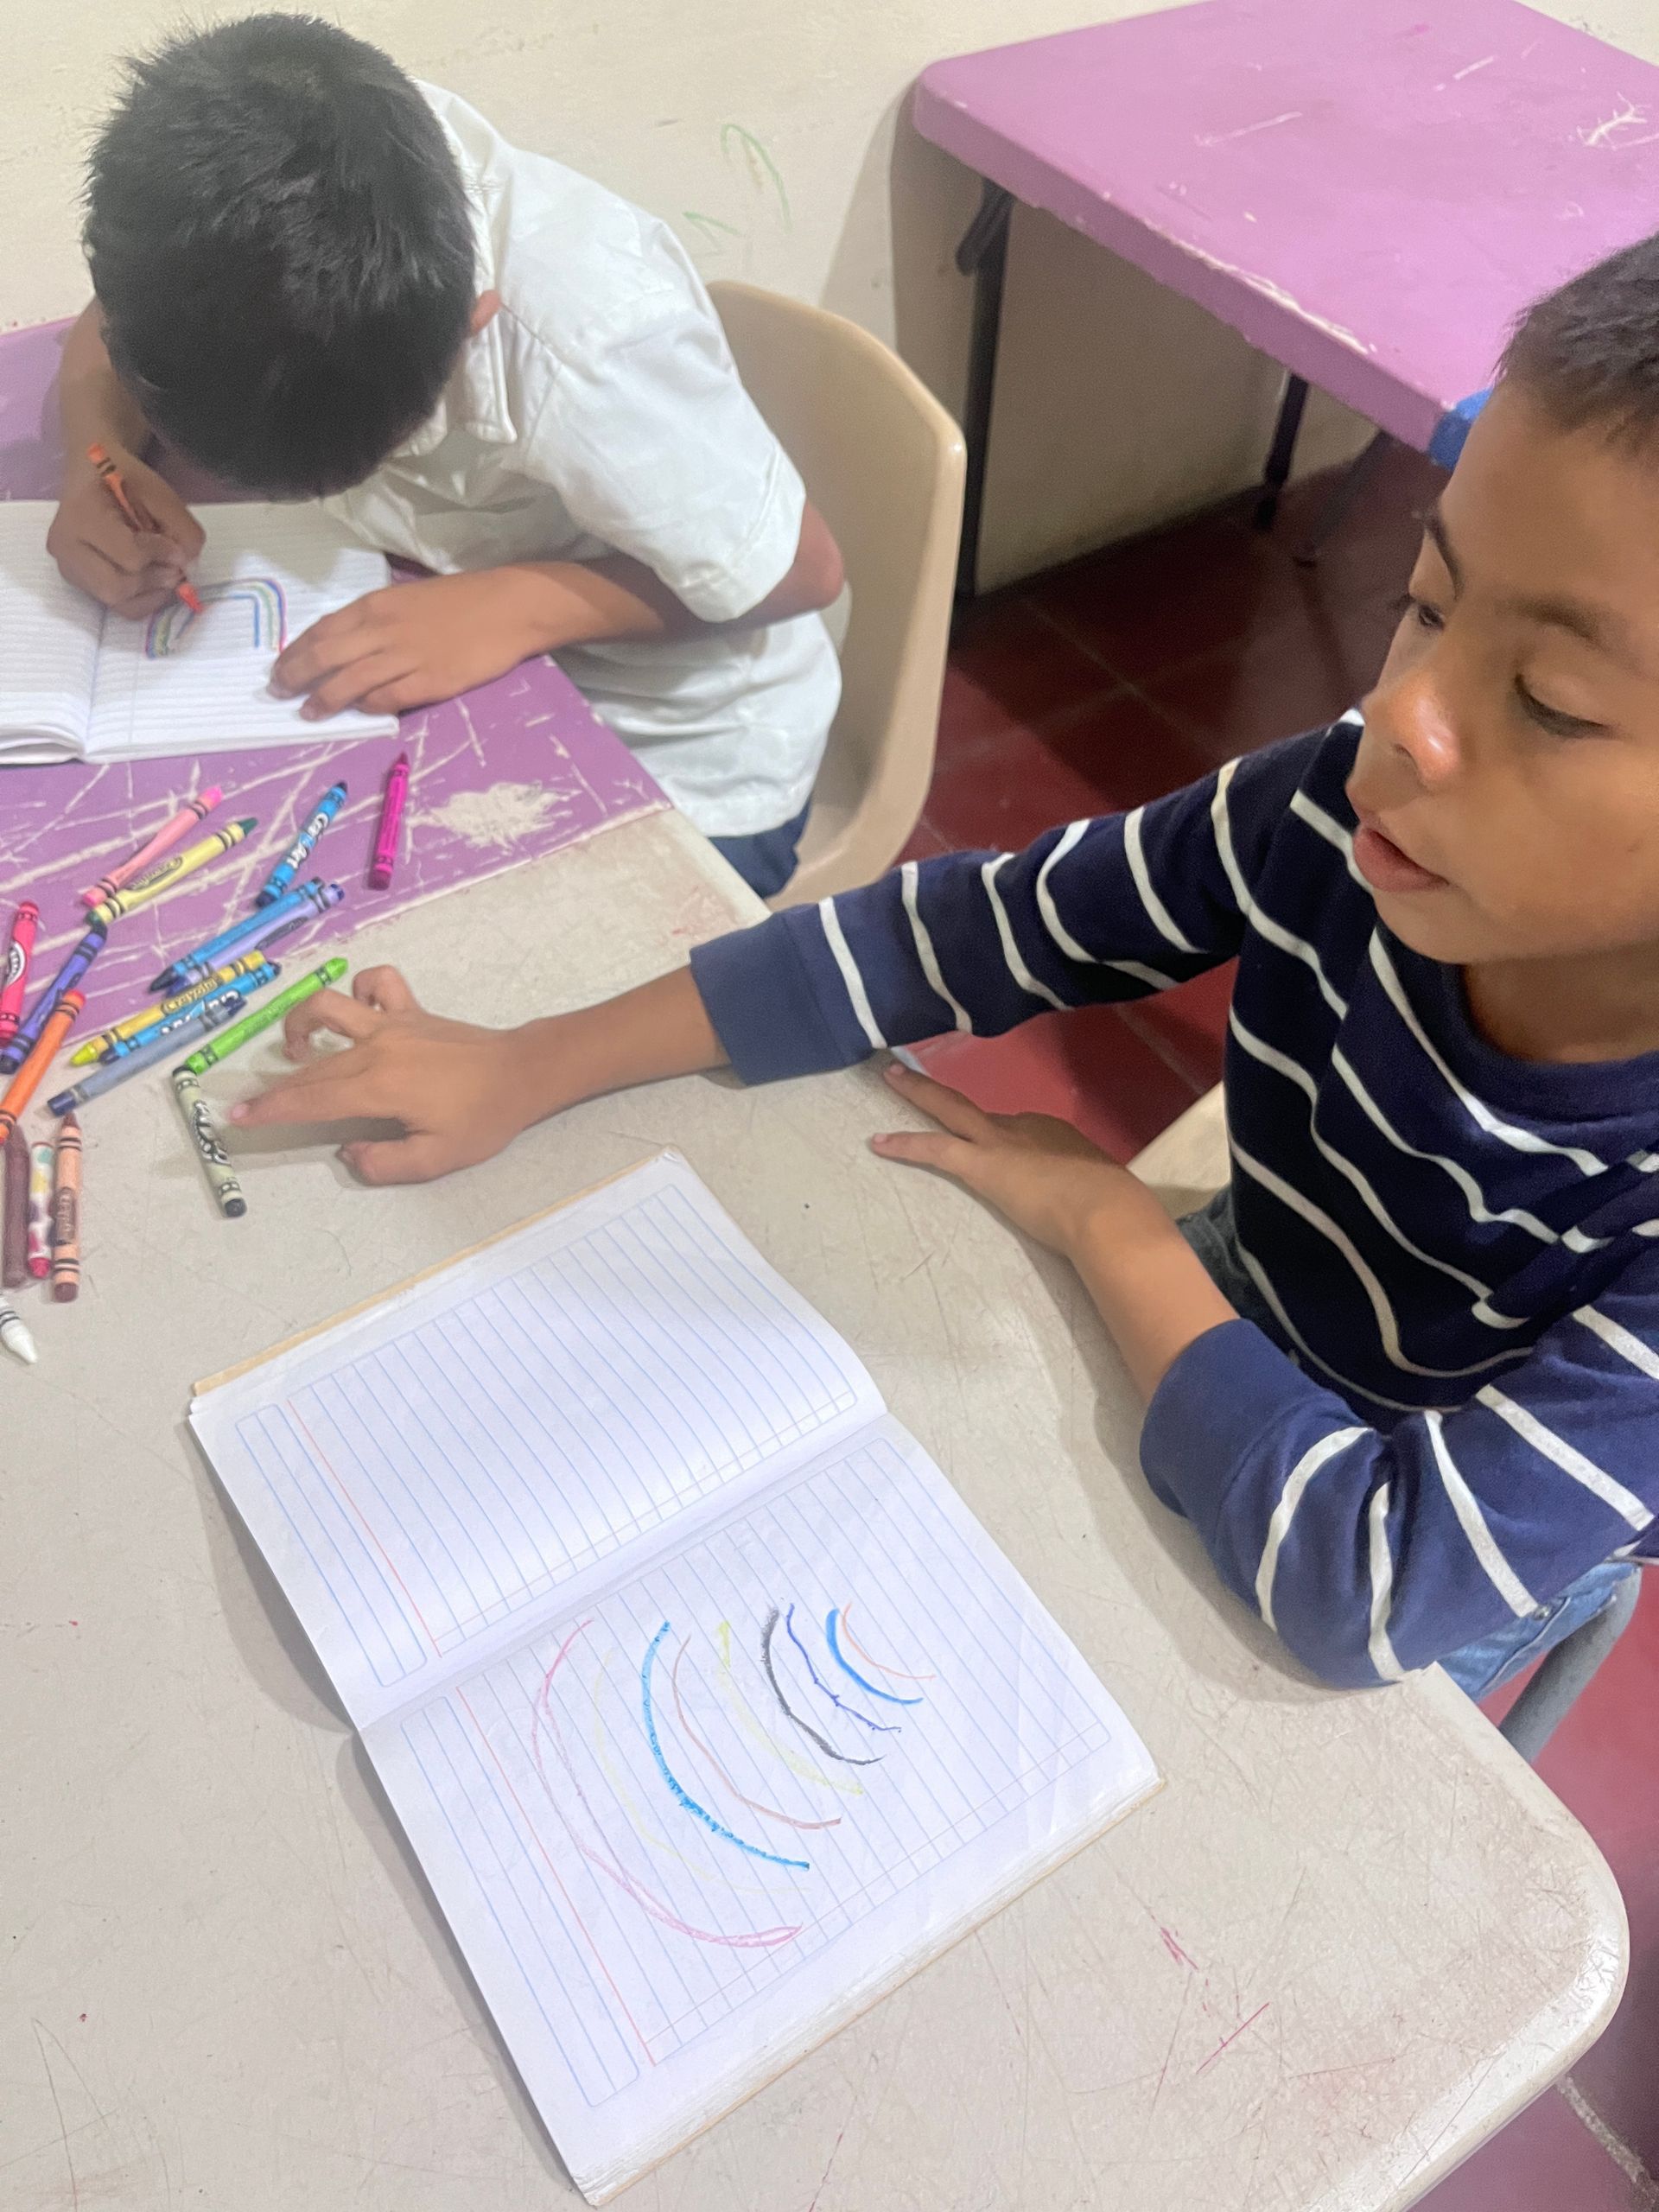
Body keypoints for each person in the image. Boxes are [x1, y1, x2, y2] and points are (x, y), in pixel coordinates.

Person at [233, 238, 1659, 1700]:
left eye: (1550, 700)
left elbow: (1369, 1584)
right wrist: (531, 1061)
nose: (1402, 713)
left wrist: (1114, 1226)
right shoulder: (1336, 807)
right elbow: (971, 931)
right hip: (1246, 1300)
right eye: (1428, 601)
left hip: (1446, 1527)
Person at [48, 15, 843, 897]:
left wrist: (518, 608)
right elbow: (108, 327)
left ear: (471, 328)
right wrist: (98, 458)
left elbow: (802, 571)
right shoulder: (255, 201)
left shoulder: (590, 344)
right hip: (452, 639)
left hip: (686, 751)